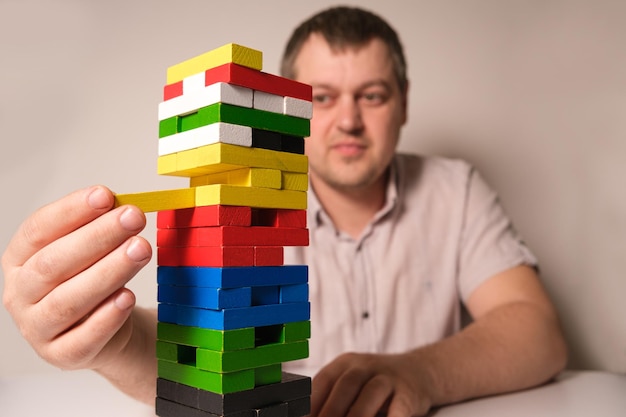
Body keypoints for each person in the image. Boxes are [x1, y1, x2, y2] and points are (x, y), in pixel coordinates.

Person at [1, 6, 567, 417]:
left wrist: (419, 373)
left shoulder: (455, 189)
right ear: (284, 109)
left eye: (372, 95)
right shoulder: (239, 205)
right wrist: (114, 342)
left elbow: (536, 331)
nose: (348, 119)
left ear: (404, 103)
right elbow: (204, 345)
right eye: (321, 96)